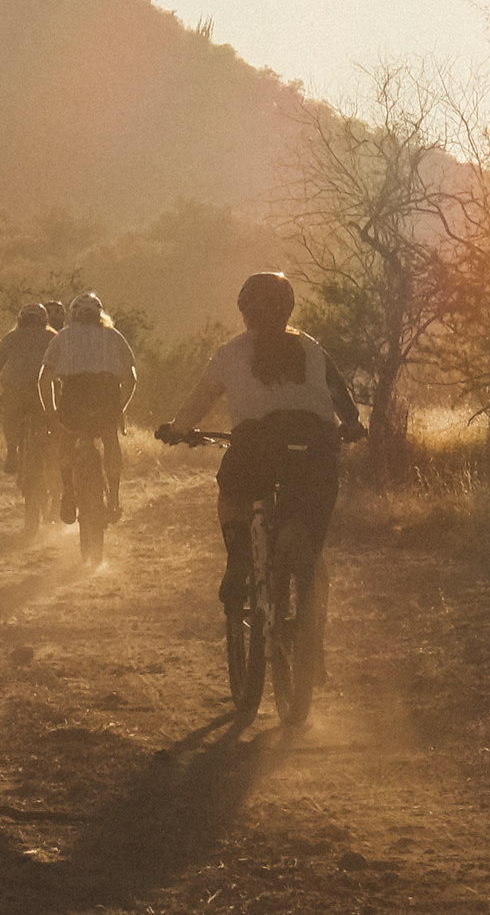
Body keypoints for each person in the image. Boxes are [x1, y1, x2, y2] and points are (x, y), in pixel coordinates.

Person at [157, 272, 367, 684]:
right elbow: (343, 398)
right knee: (313, 556)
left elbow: (200, 400)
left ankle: (238, 559)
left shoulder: (230, 353)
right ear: (289, 308)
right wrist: (353, 425)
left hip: (257, 445)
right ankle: (313, 644)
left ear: (244, 312)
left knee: (232, 496)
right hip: (317, 450)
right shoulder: (312, 348)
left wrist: (178, 429)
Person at [38, 291, 137, 522]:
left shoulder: (62, 337)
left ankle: (68, 495)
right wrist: (119, 409)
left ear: (74, 315)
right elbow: (131, 380)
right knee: (110, 440)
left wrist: (50, 412)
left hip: (74, 401)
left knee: (67, 441)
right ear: (99, 314)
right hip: (106, 400)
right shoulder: (114, 336)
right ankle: (113, 497)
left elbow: (44, 379)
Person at [0, 303, 56, 480]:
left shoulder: (10, 337)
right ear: (44, 320)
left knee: (11, 416)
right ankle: (52, 455)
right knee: (51, 418)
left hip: (16, 389)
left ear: (20, 320)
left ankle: (12, 451)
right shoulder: (52, 336)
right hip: (43, 391)